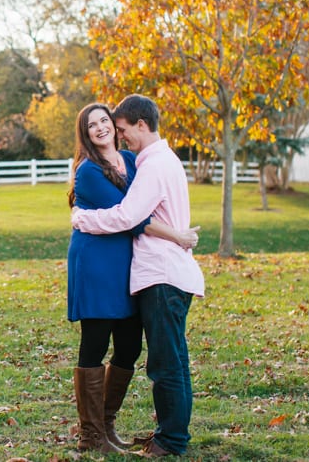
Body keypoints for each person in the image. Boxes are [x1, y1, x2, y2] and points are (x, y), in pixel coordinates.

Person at [71, 94, 205, 458]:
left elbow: (132, 214)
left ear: (139, 127)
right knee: (103, 343)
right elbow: (132, 216)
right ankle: (93, 433)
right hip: (102, 263)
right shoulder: (91, 170)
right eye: (95, 125)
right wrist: (175, 233)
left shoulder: (140, 161)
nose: (109, 131)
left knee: (152, 354)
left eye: (114, 126)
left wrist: (85, 218)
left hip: (145, 267)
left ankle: (128, 428)